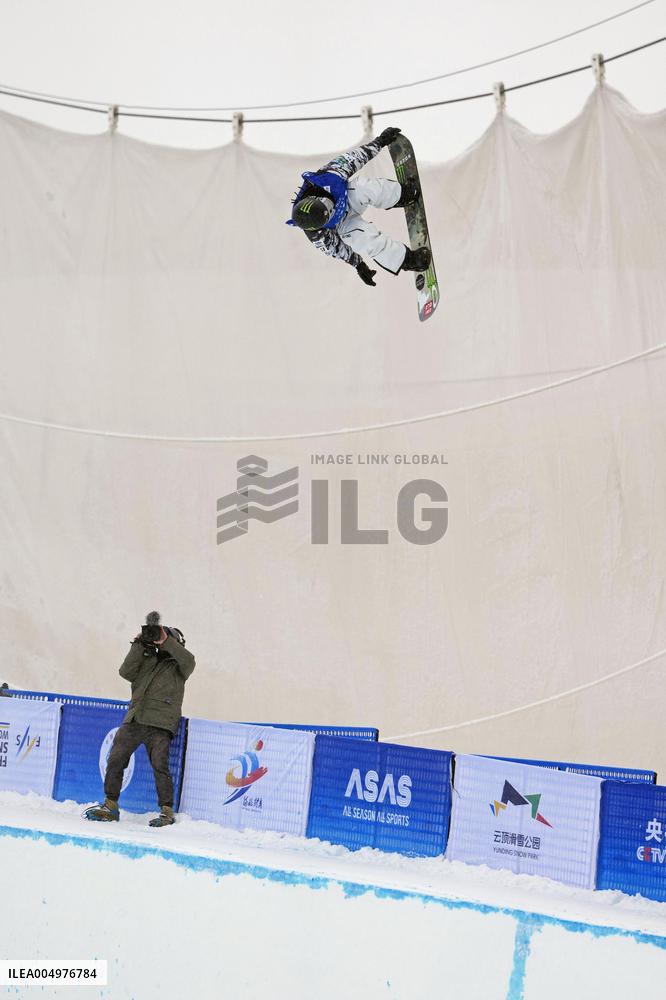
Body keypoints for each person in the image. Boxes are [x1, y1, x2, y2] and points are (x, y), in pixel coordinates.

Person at [85, 613, 195, 828]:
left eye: (161, 637)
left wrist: (166, 641)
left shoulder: (180, 666)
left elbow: (188, 661)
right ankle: (110, 805)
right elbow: (125, 672)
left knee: (160, 766)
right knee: (116, 758)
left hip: (161, 723)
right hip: (135, 718)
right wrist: (138, 644)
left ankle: (166, 811)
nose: (157, 639)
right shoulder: (146, 658)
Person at [287, 126, 431, 286]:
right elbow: (337, 249)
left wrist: (380, 142)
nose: (332, 209)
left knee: (363, 187)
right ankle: (409, 260)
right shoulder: (317, 235)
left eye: (328, 205)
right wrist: (359, 264)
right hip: (343, 224)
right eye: (329, 213)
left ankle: (403, 194)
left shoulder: (329, 177)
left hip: (348, 196)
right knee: (365, 238)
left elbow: (354, 158)